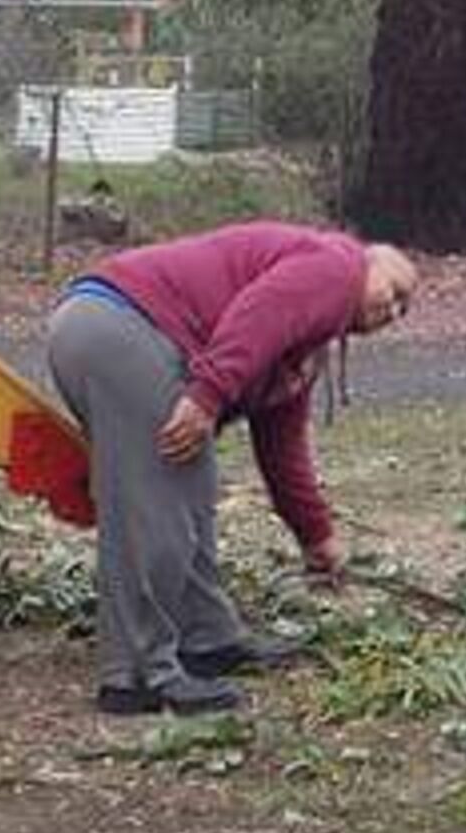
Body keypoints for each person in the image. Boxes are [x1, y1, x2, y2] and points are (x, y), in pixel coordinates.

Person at [44, 223, 421, 716]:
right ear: (368, 264)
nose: (390, 311)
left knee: (190, 489)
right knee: (157, 500)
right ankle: (137, 674)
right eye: (393, 292)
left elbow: (283, 450)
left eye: (401, 311)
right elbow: (259, 313)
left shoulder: (303, 346)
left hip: (113, 329)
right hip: (122, 325)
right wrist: (208, 396)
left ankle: (208, 639)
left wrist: (316, 535)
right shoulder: (336, 267)